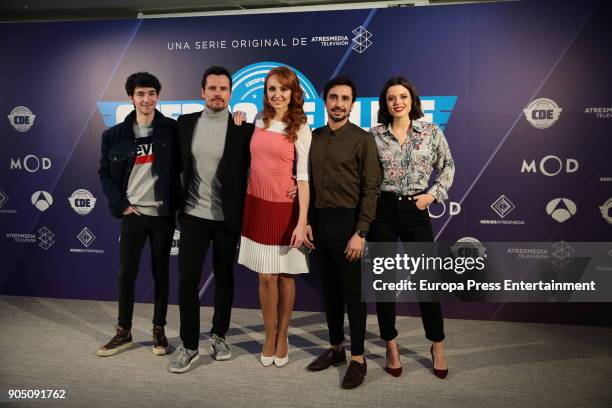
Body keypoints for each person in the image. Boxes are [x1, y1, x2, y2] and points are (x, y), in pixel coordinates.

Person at [369, 76, 454, 378]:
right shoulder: (375, 135)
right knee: (384, 283)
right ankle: (390, 343)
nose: (397, 102)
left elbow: (448, 167)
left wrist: (431, 196)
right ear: (386, 103)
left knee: (426, 283)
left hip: (416, 210)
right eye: (391, 98)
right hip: (383, 211)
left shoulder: (430, 132)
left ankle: (437, 343)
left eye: (402, 96)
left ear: (411, 99)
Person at [97, 72, 181, 357]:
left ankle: (159, 331)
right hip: (132, 213)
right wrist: (121, 205)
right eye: (140, 94)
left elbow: (185, 167)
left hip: (162, 215)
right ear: (131, 98)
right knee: (126, 274)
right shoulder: (113, 135)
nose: (146, 99)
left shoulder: (171, 129)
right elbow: (105, 173)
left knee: (161, 274)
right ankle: (124, 332)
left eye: (151, 93)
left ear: (158, 96)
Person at [306, 77, 381, 389]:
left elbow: (371, 189)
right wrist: (308, 221)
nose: (338, 103)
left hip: (349, 225)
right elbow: (306, 182)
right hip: (319, 224)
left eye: (345, 99)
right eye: (333, 97)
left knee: (353, 295)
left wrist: (361, 232)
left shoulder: (363, 140)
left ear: (353, 104)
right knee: (329, 292)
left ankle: (359, 358)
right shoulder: (312, 137)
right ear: (325, 101)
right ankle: (336, 348)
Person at [237, 66, 312, 368]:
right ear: (265, 93)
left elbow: (304, 179)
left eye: (283, 89)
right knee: (265, 277)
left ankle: (283, 336)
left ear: (293, 92)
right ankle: (269, 335)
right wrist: (237, 122)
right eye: (272, 89)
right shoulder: (257, 119)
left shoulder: (302, 127)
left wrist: (302, 221)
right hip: (255, 206)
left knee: (284, 277)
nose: (277, 95)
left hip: (285, 208)